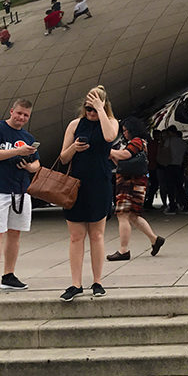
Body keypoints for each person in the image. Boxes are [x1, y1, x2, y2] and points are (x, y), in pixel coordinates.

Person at [58, 86, 118, 301]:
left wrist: (101, 111)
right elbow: (63, 157)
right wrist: (74, 147)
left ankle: (97, 281)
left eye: (94, 109)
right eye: (88, 108)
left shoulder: (110, 121)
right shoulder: (75, 125)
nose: (91, 113)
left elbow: (110, 136)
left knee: (97, 235)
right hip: (76, 184)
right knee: (76, 236)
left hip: (99, 183)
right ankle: (75, 283)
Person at [0, 99, 40, 296]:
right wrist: (17, 151)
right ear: (12, 111)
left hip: (21, 190)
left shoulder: (28, 136)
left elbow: (37, 163)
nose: (21, 118)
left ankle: (9, 275)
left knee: (15, 234)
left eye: (26, 115)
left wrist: (30, 166)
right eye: (19, 113)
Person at [107, 116, 164, 262]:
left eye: (126, 130)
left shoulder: (136, 142)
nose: (124, 133)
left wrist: (110, 151)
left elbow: (125, 155)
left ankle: (123, 250)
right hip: (136, 182)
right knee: (133, 215)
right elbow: (123, 160)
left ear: (132, 130)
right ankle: (154, 239)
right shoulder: (141, 142)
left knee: (122, 215)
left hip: (129, 183)